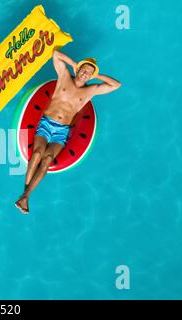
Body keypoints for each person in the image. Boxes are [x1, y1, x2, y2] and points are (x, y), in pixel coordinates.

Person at [15, 50, 121, 214]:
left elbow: (116, 85)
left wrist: (96, 75)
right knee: (37, 154)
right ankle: (25, 196)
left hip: (61, 131)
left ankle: (25, 196)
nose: (85, 74)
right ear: (78, 69)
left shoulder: (90, 90)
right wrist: (74, 65)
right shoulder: (64, 76)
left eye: (89, 73)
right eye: (84, 70)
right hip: (46, 123)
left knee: (47, 159)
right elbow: (55, 54)